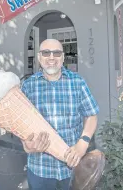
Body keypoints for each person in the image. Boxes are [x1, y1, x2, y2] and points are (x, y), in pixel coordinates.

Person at [20, 39, 99, 190]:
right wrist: (26, 144)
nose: (51, 57)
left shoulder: (77, 82)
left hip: (73, 169)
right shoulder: (28, 86)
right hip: (40, 170)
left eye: (56, 53)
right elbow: (21, 123)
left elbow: (92, 115)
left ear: (63, 58)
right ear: (39, 57)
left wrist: (83, 142)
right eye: (46, 53)